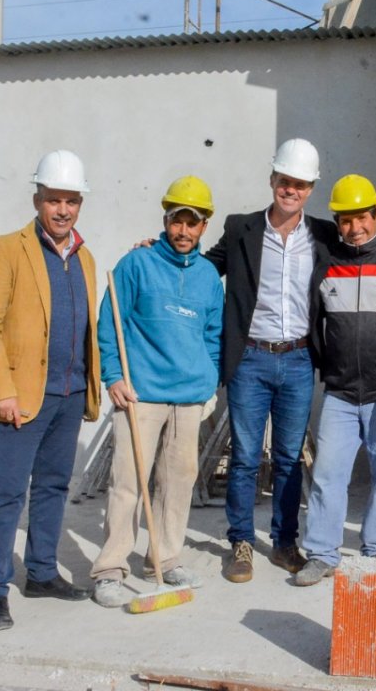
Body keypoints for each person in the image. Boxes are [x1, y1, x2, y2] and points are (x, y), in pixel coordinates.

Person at [0, 149, 101, 631]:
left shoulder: (84, 257)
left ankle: (42, 573)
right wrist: (0, 390)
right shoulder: (6, 249)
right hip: (21, 397)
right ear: (37, 199)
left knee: (52, 487)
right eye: (54, 200)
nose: (63, 210)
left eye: (71, 201)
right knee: (7, 494)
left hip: (69, 394)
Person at [205, 138, 335, 583]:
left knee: (288, 458)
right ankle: (241, 542)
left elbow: (362, 253)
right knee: (244, 458)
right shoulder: (240, 228)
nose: (290, 190)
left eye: (300, 184)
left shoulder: (323, 235)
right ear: (272, 179)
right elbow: (204, 268)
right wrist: (159, 250)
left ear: (310, 189)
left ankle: (283, 542)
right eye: (284, 181)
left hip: (298, 360)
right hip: (251, 359)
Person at [90, 177, 224, 607]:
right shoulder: (137, 264)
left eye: (192, 223)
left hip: (189, 398)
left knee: (177, 483)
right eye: (176, 221)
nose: (183, 231)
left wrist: (208, 382)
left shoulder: (208, 277)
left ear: (204, 227)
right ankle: (110, 570)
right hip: (140, 395)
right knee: (128, 483)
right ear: (165, 220)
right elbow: (109, 323)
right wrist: (114, 376)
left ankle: (165, 560)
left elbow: (213, 336)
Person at [294, 175, 376, 586]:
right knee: (328, 477)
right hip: (341, 394)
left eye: (362, 218)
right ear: (337, 223)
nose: (355, 227)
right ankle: (322, 554)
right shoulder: (326, 263)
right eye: (345, 220)